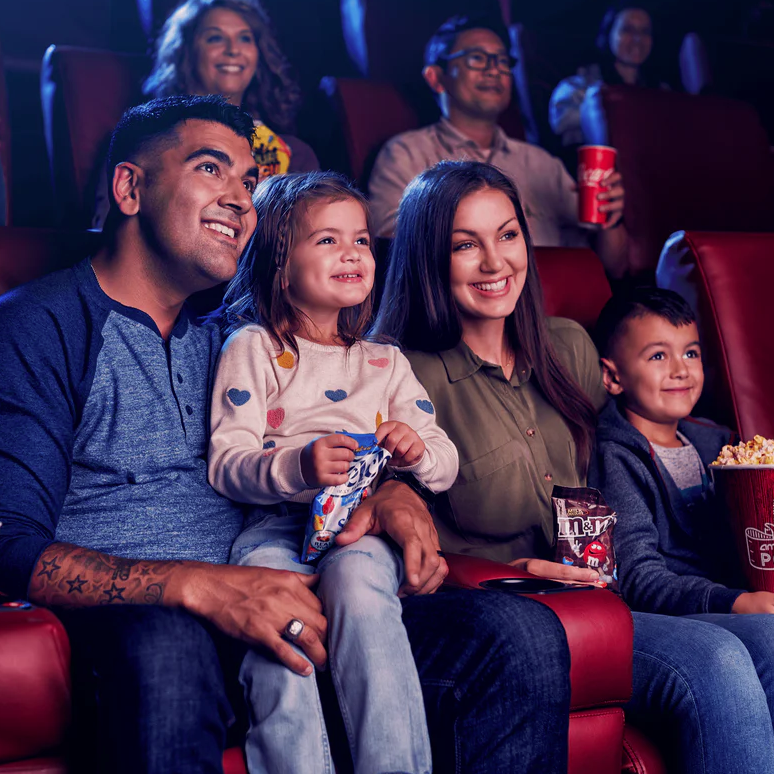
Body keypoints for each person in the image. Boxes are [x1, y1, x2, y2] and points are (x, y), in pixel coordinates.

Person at [0, 96, 574, 774]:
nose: (240, 200)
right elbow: (12, 546)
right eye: (210, 169)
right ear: (130, 187)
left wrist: (388, 495)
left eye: (248, 181)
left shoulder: (230, 333)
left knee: (520, 634)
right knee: (167, 651)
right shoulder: (43, 323)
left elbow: (309, 426)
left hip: (289, 581)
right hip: (152, 614)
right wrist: (204, 587)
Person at [374, 159, 774, 773]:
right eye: (465, 245)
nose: (495, 262)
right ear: (430, 259)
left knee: (768, 640)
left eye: (508, 236)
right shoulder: (403, 373)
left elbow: (634, 447)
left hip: (608, 595)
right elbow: (397, 544)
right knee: (715, 661)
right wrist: (504, 573)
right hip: (510, 612)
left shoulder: (569, 346)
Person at [208, 170, 458, 773]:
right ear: (278, 263)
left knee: (360, 592)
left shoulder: (384, 360)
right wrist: (297, 463)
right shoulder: (253, 346)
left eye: (363, 240)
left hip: (359, 529)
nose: (351, 252)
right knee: (276, 630)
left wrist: (413, 450)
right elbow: (226, 464)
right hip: (272, 529)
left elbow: (446, 463)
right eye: (326, 240)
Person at [589, 288, 774, 696]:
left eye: (690, 353)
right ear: (613, 376)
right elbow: (638, 578)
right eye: (658, 356)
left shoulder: (720, 445)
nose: (681, 370)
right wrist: (735, 602)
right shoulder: (616, 456)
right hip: (681, 615)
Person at [367, 14, 631, 280]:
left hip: (557, 307)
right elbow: (393, 253)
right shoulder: (406, 154)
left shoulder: (542, 163)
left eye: (503, 61)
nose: (494, 69)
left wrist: (610, 218)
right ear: (436, 78)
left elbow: (613, 268)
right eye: (477, 58)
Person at [93, 0, 319, 230]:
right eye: (215, 38)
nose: (233, 49)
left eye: (245, 38)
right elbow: (106, 227)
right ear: (185, 52)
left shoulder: (295, 155)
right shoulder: (142, 141)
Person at [549, 5, 667, 148]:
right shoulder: (577, 88)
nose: (637, 39)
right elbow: (559, 122)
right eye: (628, 30)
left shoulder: (662, 92)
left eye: (645, 31)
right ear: (609, 33)